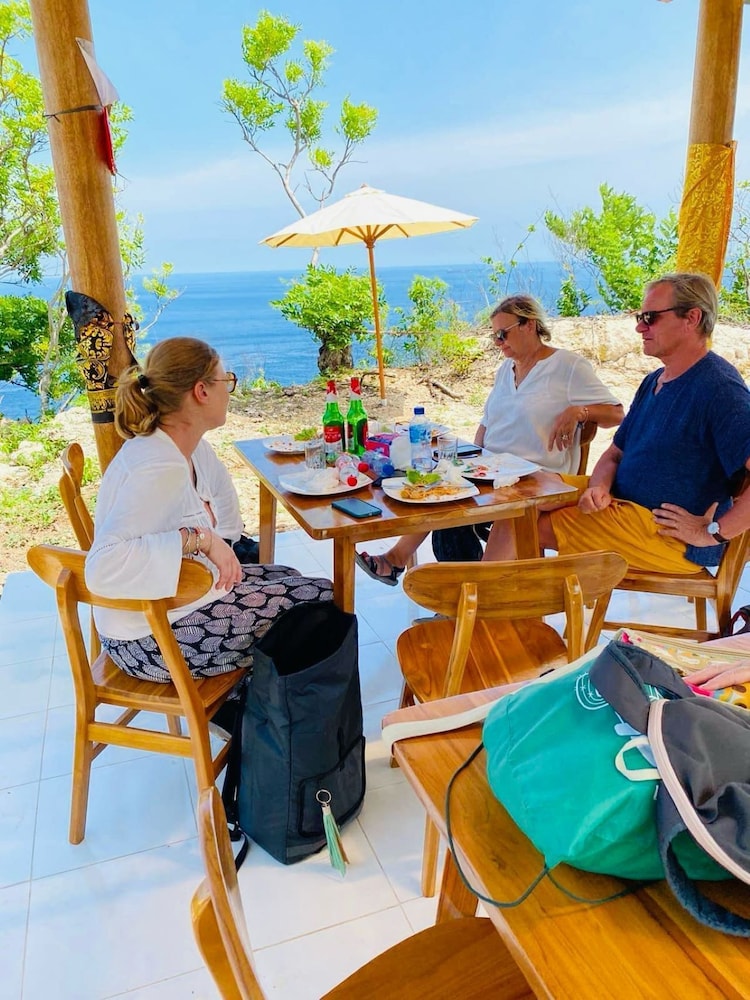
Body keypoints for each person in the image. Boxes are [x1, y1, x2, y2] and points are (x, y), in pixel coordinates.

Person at [85, 337, 333, 683]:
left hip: (169, 611)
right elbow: (101, 568)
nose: (228, 391)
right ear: (201, 391)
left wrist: (216, 543)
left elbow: (226, 515)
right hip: (146, 641)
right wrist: (201, 539)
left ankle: (258, 701)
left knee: (289, 577)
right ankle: (262, 708)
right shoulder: (158, 467)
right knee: (321, 600)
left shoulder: (180, 448)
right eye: (225, 380)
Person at [356, 293, 624, 584]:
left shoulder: (568, 366)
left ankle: (480, 592)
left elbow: (617, 414)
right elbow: (487, 422)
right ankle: (398, 560)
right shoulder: (505, 370)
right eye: (494, 336)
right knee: (443, 487)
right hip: (492, 469)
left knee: (507, 505)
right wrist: (470, 461)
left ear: (529, 325)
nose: (498, 342)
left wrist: (580, 411)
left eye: (503, 333)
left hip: (537, 475)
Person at [537, 272, 750, 578]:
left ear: (691, 318)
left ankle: (492, 605)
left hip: (665, 536)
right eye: (640, 317)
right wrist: (599, 486)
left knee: (529, 527)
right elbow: (615, 454)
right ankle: (492, 605)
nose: (639, 327)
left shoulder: (720, 388)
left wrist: (713, 532)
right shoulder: (654, 381)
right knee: (524, 496)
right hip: (623, 504)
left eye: (650, 317)